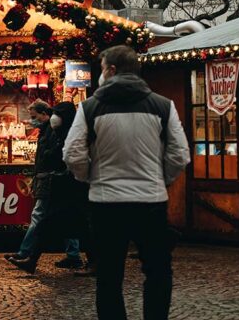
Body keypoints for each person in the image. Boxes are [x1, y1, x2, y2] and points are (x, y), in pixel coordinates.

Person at [63, 45, 190, 320]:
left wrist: (90, 178)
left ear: (111, 70)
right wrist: (160, 180)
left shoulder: (89, 108)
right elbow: (180, 154)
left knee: (108, 276)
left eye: (101, 69)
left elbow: (72, 154)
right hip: (151, 201)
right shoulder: (163, 105)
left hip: (106, 203)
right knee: (157, 271)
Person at [8, 101, 90, 274]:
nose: (33, 120)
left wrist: (48, 159)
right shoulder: (56, 130)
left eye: (35, 117)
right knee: (64, 218)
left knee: (42, 217)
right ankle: (70, 256)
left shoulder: (57, 132)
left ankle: (28, 254)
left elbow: (60, 155)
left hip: (59, 180)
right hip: (59, 181)